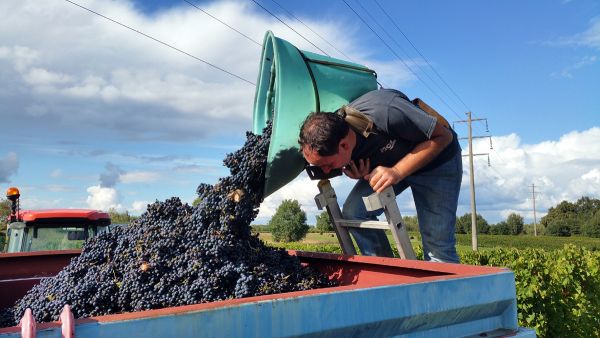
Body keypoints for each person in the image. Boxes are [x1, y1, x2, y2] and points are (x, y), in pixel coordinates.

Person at [298, 88, 462, 263]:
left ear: (344, 145)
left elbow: (444, 136)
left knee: (438, 249)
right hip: (391, 164)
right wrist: (364, 175)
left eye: (328, 165)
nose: (328, 171)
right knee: (354, 212)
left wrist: (397, 171)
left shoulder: (387, 112)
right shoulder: (332, 136)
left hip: (437, 160)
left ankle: (446, 288)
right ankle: (388, 274)